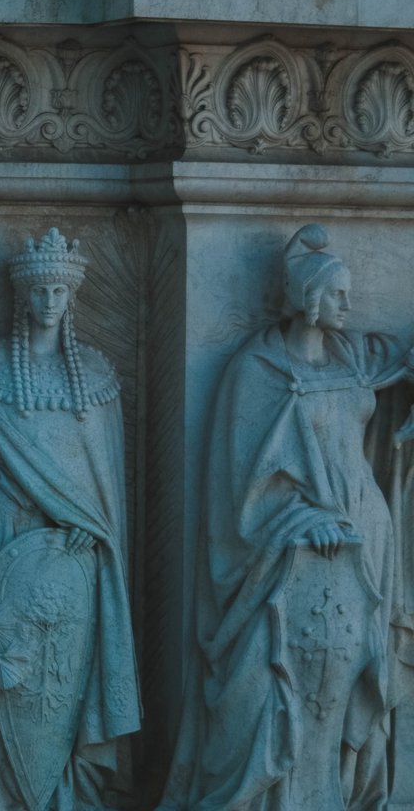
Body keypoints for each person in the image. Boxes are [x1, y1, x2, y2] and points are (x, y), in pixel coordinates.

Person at [161, 224, 414, 810]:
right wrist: (300, 519)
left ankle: (347, 790)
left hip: (365, 533)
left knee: (351, 669)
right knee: (276, 676)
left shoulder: (353, 355)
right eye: (338, 295)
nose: (350, 305)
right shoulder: (257, 372)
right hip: (287, 553)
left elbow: (402, 360)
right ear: (307, 300)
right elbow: (238, 486)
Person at [0, 227, 138, 810]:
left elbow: (103, 482)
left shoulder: (95, 376)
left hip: (66, 553)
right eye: (39, 290)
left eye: (59, 290)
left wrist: (95, 527)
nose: (49, 302)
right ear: (22, 296)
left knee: (56, 676)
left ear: (72, 297)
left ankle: (56, 795)